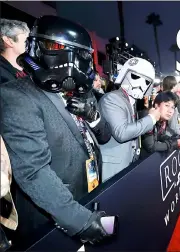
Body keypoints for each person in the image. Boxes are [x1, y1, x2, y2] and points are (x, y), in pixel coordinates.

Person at [0, 16, 113, 249]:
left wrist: (93, 117)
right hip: (51, 219)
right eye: (56, 48)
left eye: (84, 56)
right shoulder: (17, 96)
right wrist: (79, 221)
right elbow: (33, 171)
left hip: (89, 196)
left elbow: (104, 136)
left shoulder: (84, 93)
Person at [99, 57, 160, 182]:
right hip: (114, 169)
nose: (140, 84)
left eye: (146, 82)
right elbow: (122, 132)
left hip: (128, 164)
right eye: (136, 77)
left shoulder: (131, 102)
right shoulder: (112, 99)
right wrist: (151, 119)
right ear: (124, 74)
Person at [141, 91, 180, 156]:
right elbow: (150, 147)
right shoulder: (148, 117)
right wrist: (174, 144)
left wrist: (174, 140)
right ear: (156, 105)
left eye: (172, 107)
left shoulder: (162, 119)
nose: (170, 111)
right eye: (167, 105)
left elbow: (160, 135)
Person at [0, 19, 29, 84]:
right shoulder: (2, 74)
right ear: (8, 41)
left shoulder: (28, 66)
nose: (30, 44)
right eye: (25, 41)